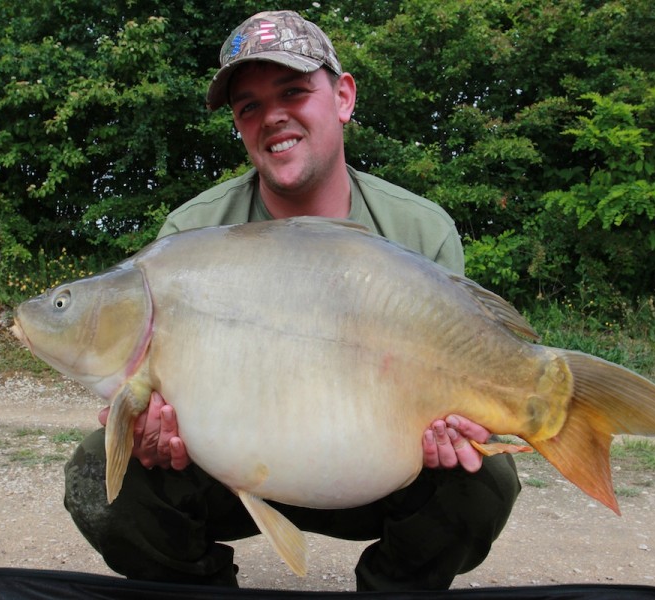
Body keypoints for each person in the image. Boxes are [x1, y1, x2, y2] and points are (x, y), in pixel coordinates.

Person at [64, 10, 520, 591]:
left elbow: (456, 380)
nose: (271, 115)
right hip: (228, 469)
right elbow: (152, 395)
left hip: (375, 469)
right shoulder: (193, 234)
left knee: (484, 478)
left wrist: (456, 428)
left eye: (294, 91)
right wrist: (150, 434)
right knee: (100, 474)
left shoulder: (418, 231)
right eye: (248, 106)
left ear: (344, 97)